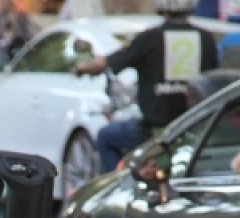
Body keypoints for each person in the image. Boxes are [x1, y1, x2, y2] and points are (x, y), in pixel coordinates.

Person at [72, 0, 217, 173]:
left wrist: (82, 68)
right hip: (195, 130)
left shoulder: (150, 38)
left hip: (154, 131)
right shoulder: (206, 39)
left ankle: (116, 189)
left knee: (105, 137)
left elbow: (105, 62)